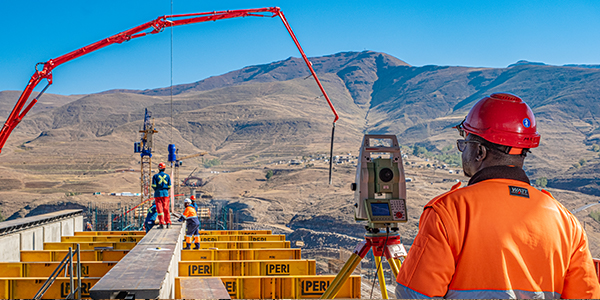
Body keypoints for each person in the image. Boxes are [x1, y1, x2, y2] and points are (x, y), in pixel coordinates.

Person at [395, 93, 600, 299]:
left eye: (464, 143)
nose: (462, 150)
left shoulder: (448, 212)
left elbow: (414, 295)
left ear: (480, 152)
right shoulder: (567, 223)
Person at [152, 162, 171, 229]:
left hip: (158, 194)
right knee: (166, 208)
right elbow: (169, 186)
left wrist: (158, 189)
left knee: (160, 209)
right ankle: (168, 222)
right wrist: (165, 189)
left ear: (158, 169)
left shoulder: (155, 176)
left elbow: (153, 186)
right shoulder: (167, 176)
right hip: (165, 194)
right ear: (164, 168)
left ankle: (162, 223)